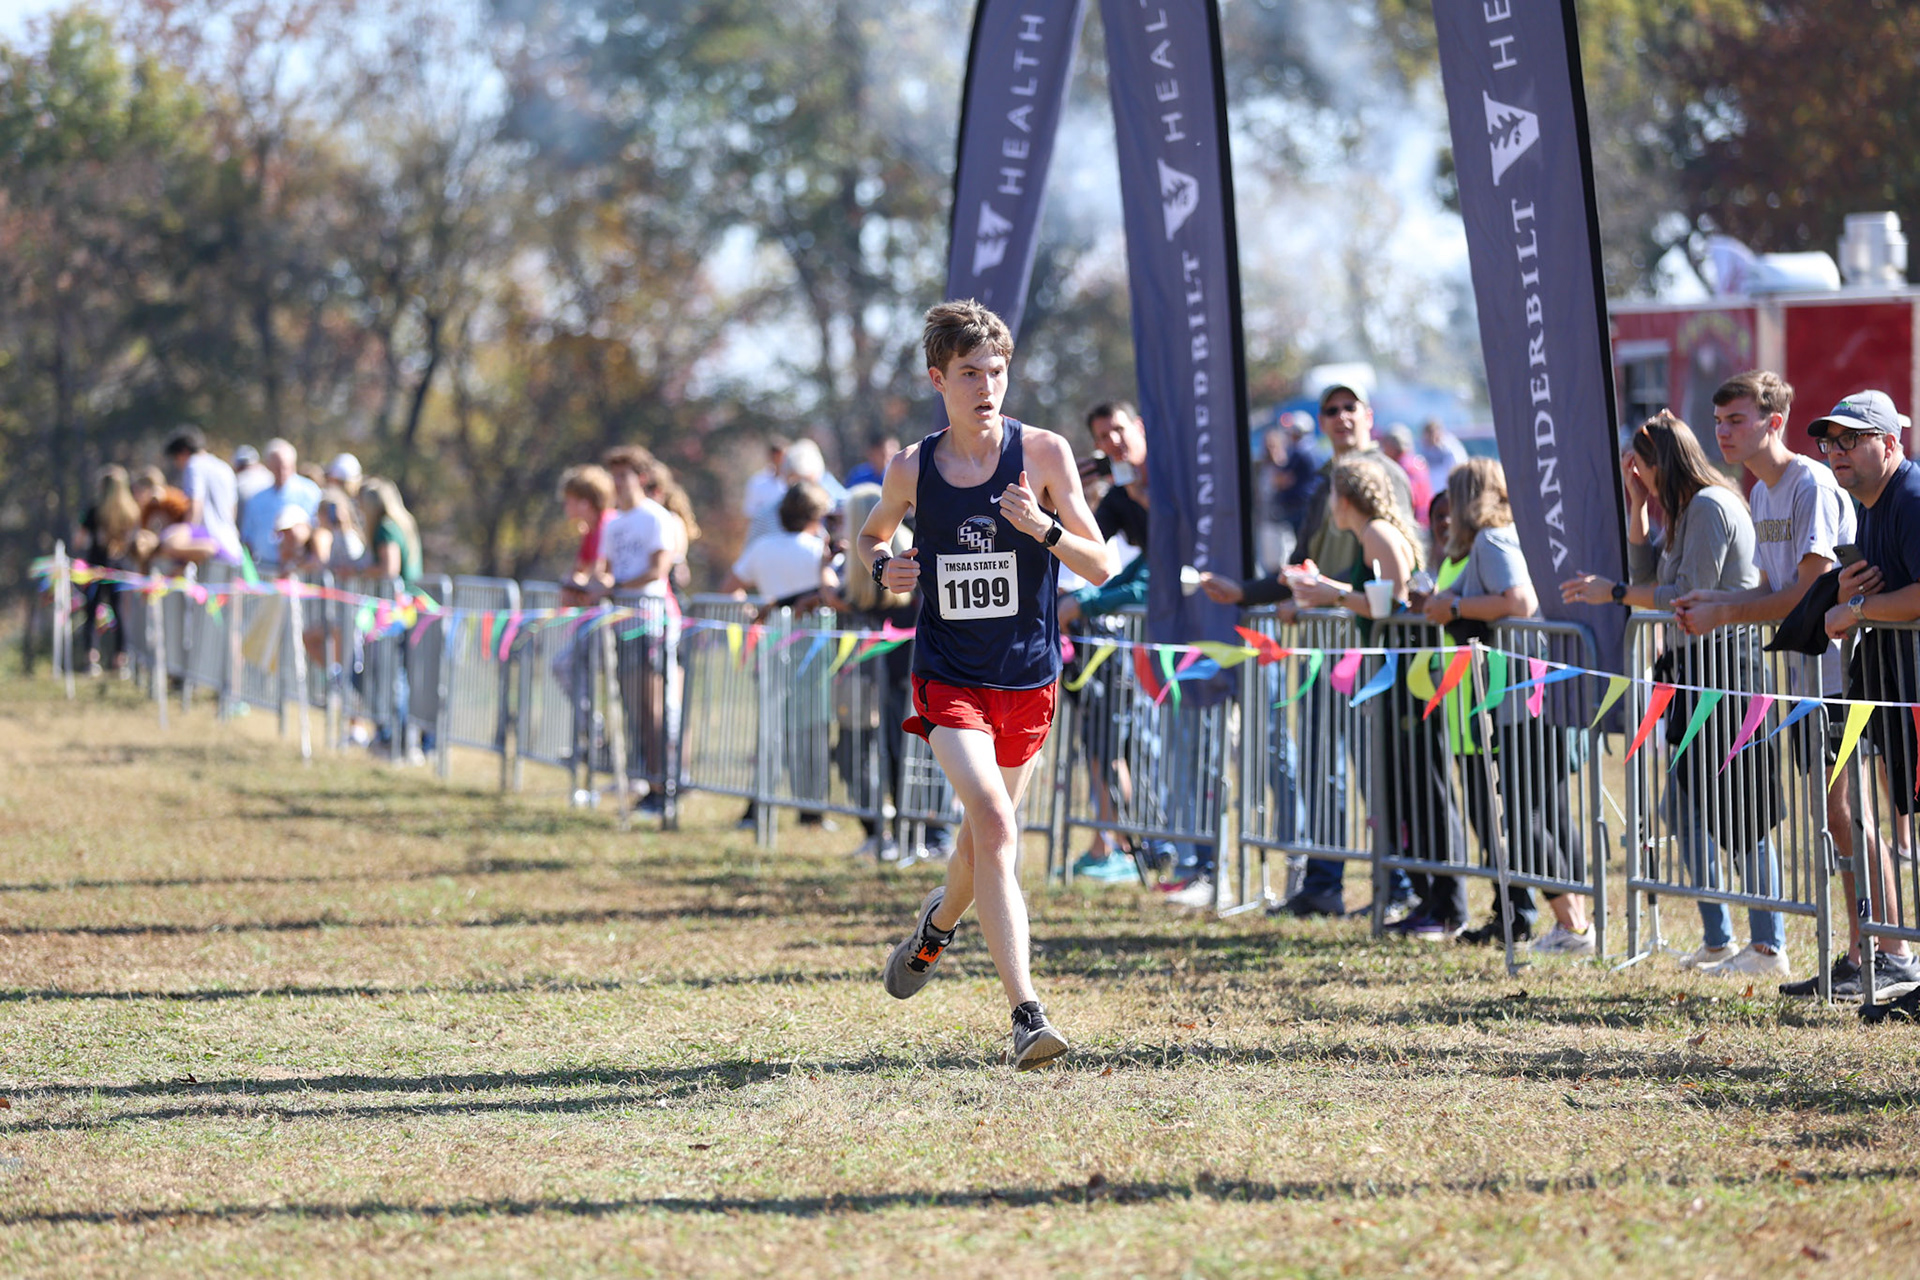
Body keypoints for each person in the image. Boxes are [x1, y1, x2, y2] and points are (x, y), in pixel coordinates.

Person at [860, 299, 1113, 1071]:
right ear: (939, 379)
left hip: (1028, 676)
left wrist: (1044, 529)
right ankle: (1026, 1016)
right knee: (998, 827)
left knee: (980, 840)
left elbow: (1101, 566)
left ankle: (936, 927)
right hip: (949, 677)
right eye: (969, 373)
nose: (986, 386)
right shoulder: (914, 465)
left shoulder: (1043, 454)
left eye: (996, 372)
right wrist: (885, 567)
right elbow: (870, 535)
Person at [1671, 372, 1875, 988]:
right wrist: (1712, 596)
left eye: (1736, 420)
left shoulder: (1808, 481)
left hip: (1844, 676)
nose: (1723, 432)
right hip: (1805, 681)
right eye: (1718, 422)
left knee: (1849, 814)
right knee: (1835, 817)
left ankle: (1879, 950)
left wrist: (1724, 612)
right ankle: (1863, 952)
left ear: (1774, 422)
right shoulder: (1760, 492)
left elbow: (1806, 594)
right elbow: (1767, 588)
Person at [1562, 410, 1783, 974]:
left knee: (1743, 813)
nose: (1635, 473)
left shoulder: (1709, 506)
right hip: (1693, 676)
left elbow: (1686, 595)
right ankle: (1719, 939)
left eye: (1639, 466)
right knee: (1684, 810)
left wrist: (1612, 592)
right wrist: (1637, 510)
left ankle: (1768, 946)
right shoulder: (1686, 511)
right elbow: (1648, 581)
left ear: (1661, 461)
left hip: (1727, 675)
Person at [1196, 383, 1415, 919]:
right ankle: (1324, 883)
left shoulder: (1387, 475)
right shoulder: (1324, 483)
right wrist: (1245, 592)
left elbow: (1398, 565)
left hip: (1370, 651)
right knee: (1323, 766)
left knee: (1377, 767)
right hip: (1320, 651)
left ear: (1368, 414)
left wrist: (1326, 594)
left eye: (1350, 408)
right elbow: (1301, 563)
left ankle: (1401, 885)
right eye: (1330, 410)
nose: (1341, 417)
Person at [1421, 459, 1594, 954]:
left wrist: (1453, 607)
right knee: (1547, 808)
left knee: (1525, 813)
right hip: (1528, 692)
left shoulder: (1494, 540)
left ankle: (1571, 925)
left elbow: (1517, 602)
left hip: (1523, 694)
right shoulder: (1507, 537)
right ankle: (1577, 921)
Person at [1815, 389, 1920, 1000]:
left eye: (1852, 439)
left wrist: (1855, 609)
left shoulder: (1909, 497)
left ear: (1890, 442)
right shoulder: (1869, 506)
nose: (1837, 452)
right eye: (1831, 441)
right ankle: (1893, 954)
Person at [75, 465, 142, 675]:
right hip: (119, 569)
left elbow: (80, 539)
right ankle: (120, 659)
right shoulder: (131, 513)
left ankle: (91, 658)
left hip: (95, 568)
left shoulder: (94, 511)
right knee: (120, 612)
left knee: (91, 611)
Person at [156, 427, 243, 567]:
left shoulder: (194, 465)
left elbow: (195, 506)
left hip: (210, 546)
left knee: (166, 540)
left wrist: (185, 534)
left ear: (183, 452)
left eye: (175, 459)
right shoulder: (224, 467)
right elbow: (232, 511)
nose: (177, 465)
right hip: (232, 546)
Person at [238, 439, 322, 569]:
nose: (282, 472)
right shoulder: (257, 499)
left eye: (285, 467)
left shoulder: (310, 492)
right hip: (264, 569)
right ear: (269, 466)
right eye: (277, 467)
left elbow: (317, 529)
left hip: (298, 570)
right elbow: (247, 536)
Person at [557, 464, 616, 606]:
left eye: (568, 501)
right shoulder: (590, 530)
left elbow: (598, 572)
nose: (565, 507)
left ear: (585, 503)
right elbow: (579, 569)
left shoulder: (608, 524)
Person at [1380, 424, 1433, 529]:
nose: (1383, 450)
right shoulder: (1418, 462)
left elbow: (1408, 499)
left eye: (1385, 444)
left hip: (1413, 522)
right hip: (1427, 519)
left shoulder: (1400, 468)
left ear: (1392, 445)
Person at [1418, 417, 1470, 494]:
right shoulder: (1422, 450)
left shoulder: (1451, 447)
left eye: (1432, 433)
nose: (1430, 437)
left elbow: (1458, 467)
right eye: (1428, 434)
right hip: (1432, 494)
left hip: (1449, 492)